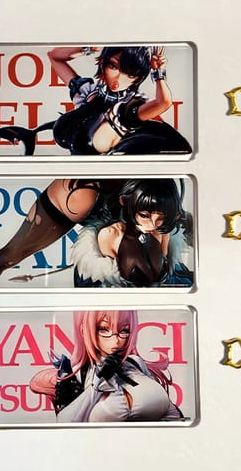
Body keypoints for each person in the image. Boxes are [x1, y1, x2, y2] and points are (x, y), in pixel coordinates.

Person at [0, 45, 191, 155]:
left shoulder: (127, 110)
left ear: (138, 78)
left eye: (130, 74)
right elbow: (54, 57)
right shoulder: (88, 92)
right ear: (103, 64)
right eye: (113, 66)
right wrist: (88, 48)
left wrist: (158, 74)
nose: (118, 79)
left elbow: (163, 103)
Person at [30, 310, 183, 422]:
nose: (116, 341)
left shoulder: (135, 362)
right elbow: (65, 423)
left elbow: (170, 410)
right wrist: (99, 381)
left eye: (124, 331)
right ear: (85, 329)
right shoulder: (76, 373)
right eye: (104, 329)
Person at [71, 179, 193, 287]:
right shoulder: (111, 235)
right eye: (144, 216)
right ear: (124, 202)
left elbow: (168, 270)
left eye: (161, 218)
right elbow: (105, 283)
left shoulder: (162, 231)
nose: (152, 225)